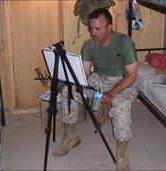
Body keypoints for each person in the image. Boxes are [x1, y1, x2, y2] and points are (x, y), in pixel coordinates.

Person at [53, 8, 138, 171]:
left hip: (122, 82)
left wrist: (110, 93)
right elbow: (85, 74)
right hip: (99, 79)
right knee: (68, 91)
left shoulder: (124, 42)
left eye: (97, 28)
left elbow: (132, 76)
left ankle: (122, 154)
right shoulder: (89, 45)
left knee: (121, 107)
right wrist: (73, 83)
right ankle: (70, 136)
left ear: (109, 27)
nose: (93, 32)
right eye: (91, 28)